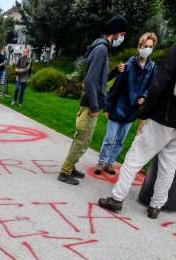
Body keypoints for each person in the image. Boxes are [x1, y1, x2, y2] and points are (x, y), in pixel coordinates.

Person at [98, 7, 176, 219]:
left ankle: (117, 198)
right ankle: (156, 206)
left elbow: (159, 83)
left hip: (163, 116)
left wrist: (145, 112)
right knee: (170, 164)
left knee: (134, 158)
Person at [57, 15, 128, 185]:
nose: (122, 38)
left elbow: (98, 79)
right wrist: (96, 106)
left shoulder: (101, 47)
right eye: (122, 34)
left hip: (91, 103)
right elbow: (90, 81)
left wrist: (113, 73)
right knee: (82, 140)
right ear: (116, 33)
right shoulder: (102, 49)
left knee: (83, 139)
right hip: (90, 105)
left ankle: (71, 166)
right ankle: (65, 171)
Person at [95, 32, 158, 176]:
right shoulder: (128, 65)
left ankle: (110, 163)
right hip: (118, 107)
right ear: (139, 46)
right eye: (145, 46)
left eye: (150, 46)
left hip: (132, 110)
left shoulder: (153, 68)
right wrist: (108, 106)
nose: (147, 49)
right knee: (110, 138)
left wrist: (144, 96)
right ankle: (101, 161)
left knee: (120, 141)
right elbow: (115, 88)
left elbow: (151, 86)